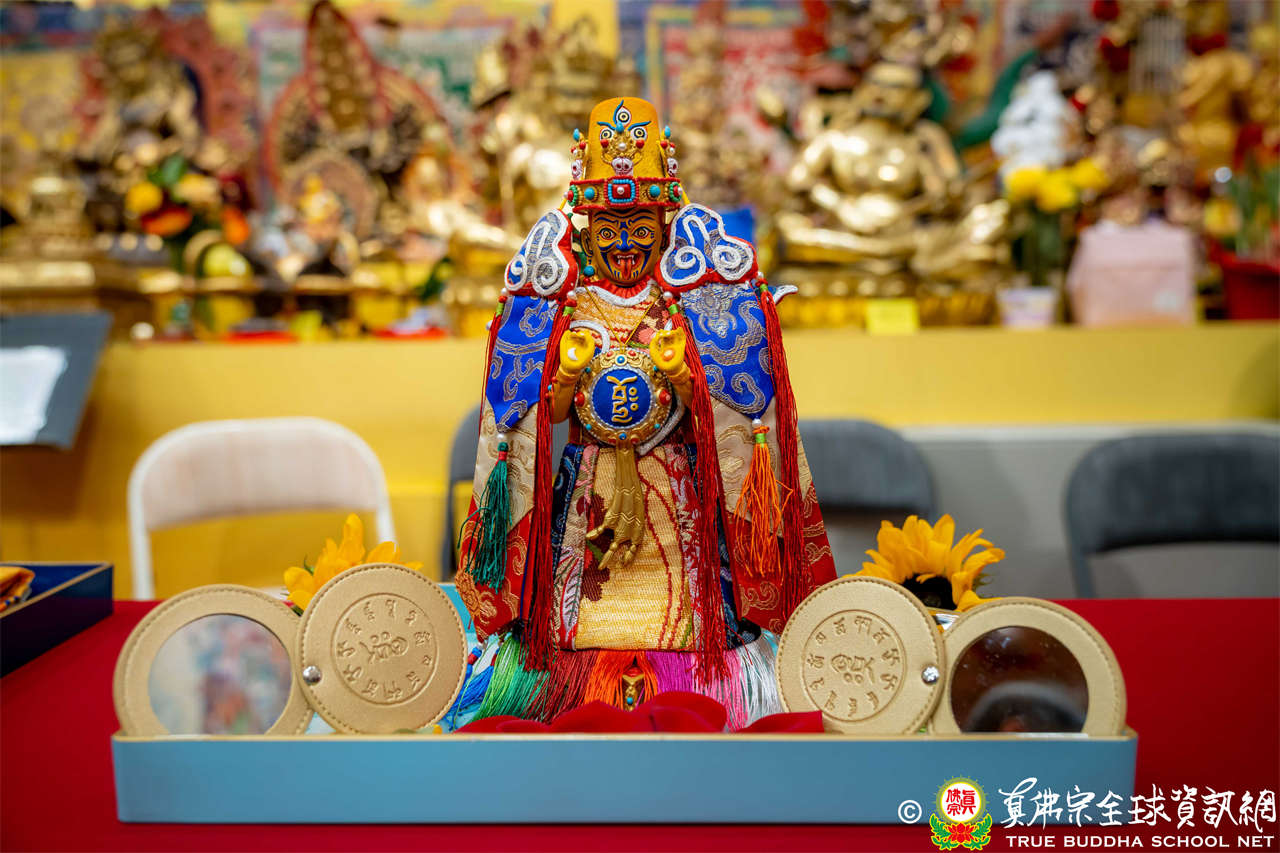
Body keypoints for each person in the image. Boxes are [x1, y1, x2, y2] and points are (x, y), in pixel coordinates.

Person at [455, 97, 835, 727]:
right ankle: (569, 683)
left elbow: (724, 413)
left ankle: (703, 684)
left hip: (674, 484)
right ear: (586, 233)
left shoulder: (689, 302)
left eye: (639, 229)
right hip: (590, 483)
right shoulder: (568, 304)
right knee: (577, 608)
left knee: (689, 608)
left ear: (664, 228)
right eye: (609, 230)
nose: (625, 245)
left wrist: (686, 374)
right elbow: (543, 415)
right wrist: (566, 372)